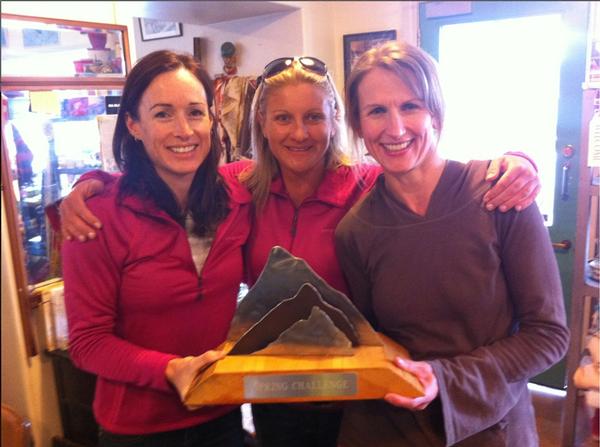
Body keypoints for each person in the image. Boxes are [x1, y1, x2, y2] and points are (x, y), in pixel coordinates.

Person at [58, 54, 541, 446]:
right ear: (261, 125)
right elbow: (152, 182)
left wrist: (516, 163)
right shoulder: (238, 188)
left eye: (314, 117)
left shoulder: (368, 187)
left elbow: (430, 171)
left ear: (335, 121)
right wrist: (88, 185)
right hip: (273, 397)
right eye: (282, 118)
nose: (299, 132)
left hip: (361, 399)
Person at [334, 41, 569, 446]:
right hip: (395, 426)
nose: (395, 128)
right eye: (376, 111)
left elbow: (549, 335)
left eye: (411, 106)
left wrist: (445, 378)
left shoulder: (500, 195)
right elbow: (374, 338)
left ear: (436, 112)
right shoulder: (356, 231)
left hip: (491, 425)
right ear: (357, 124)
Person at [61, 50, 251, 447]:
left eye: (195, 112)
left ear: (213, 118)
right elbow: (87, 342)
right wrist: (170, 370)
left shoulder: (236, 195)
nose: (184, 130)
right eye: (163, 114)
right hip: (138, 430)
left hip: (222, 413)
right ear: (133, 124)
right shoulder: (96, 217)